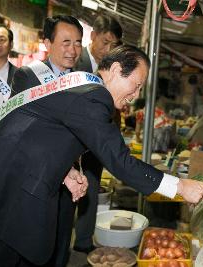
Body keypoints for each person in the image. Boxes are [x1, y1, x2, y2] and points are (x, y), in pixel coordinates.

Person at [0, 44, 203, 266]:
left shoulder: (80, 88)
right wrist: (181, 187)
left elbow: (40, 132)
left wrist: (67, 170)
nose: (135, 96)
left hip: (0, 182)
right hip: (5, 193)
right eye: (135, 85)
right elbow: (120, 161)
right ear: (116, 70)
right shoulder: (95, 96)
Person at [10, 15, 89, 266]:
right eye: (66, 42)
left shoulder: (82, 81)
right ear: (47, 43)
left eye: (78, 43)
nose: (73, 50)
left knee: (61, 243)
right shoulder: (27, 76)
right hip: (35, 179)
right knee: (33, 246)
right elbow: (22, 131)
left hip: (69, 183)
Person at [70, 15, 123, 254]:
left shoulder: (112, 70)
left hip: (95, 144)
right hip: (70, 143)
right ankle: (60, 249)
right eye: (105, 42)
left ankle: (82, 242)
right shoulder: (73, 60)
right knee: (66, 196)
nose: (108, 49)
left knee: (91, 190)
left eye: (114, 45)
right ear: (93, 36)